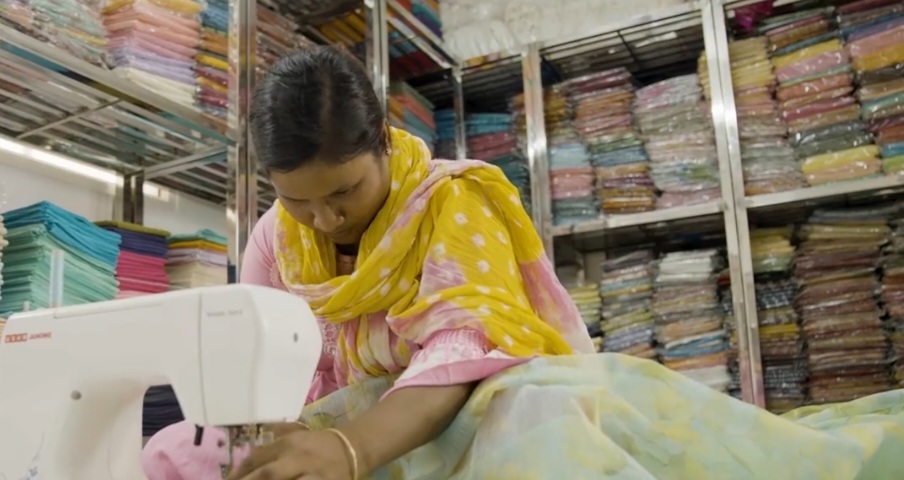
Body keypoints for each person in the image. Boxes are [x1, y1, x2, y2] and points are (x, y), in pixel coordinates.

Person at [143, 46, 904, 480]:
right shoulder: (278, 236)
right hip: (366, 420)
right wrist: (262, 444)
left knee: (536, 419)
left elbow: (461, 347)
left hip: (478, 400)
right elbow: (274, 373)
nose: (326, 218)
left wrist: (349, 449)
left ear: (385, 148)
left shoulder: (450, 201)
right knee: (176, 451)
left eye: (344, 191)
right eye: (301, 202)